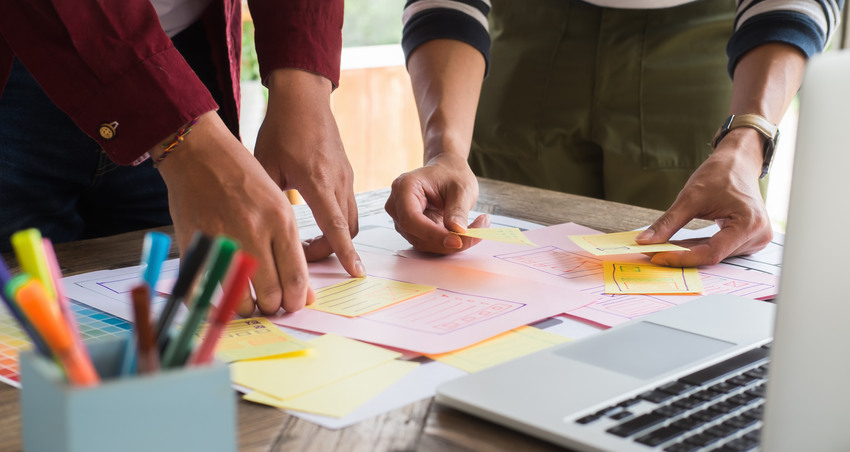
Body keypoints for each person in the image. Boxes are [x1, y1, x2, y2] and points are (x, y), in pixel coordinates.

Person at [386, 0, 842, 267]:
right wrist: (445, 150)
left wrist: (746, 138)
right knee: (507, 276)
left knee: (690, 282)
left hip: (711, 43)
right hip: (528, 39)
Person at [0, 0, 362, 316]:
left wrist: (303, 86)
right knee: (24, 343)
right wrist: (183, 134)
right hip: (16, 67)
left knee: (174, 333)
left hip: (186, 57)